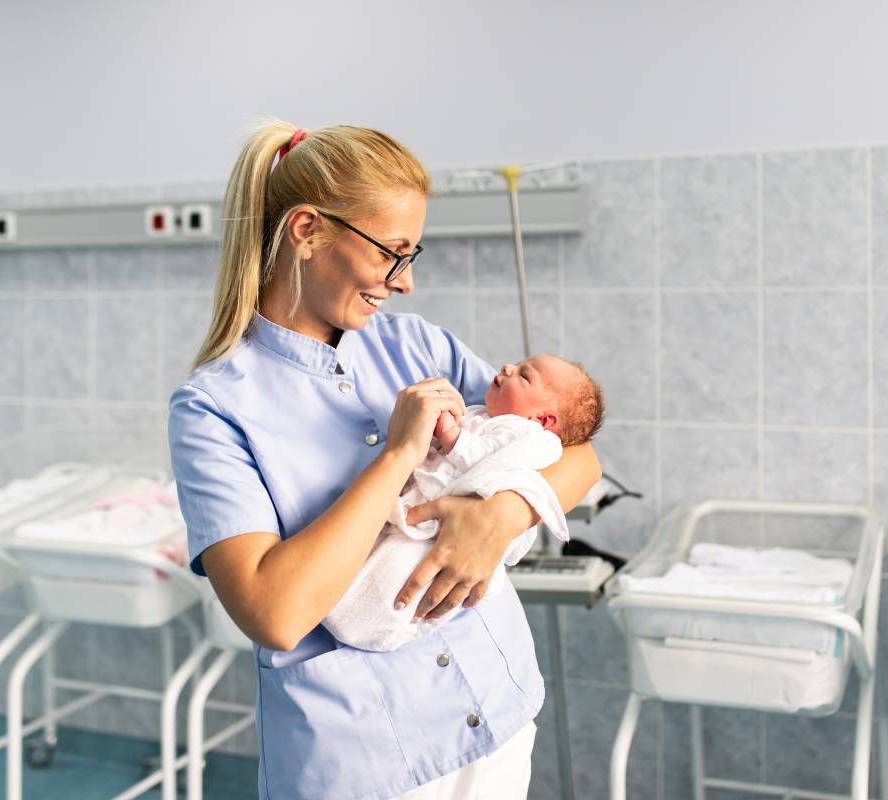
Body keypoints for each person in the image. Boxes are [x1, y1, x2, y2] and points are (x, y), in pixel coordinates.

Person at [166, 121, 601, 800]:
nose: (405, 282)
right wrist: (398, 454)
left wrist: (498, 520)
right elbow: (274, 613)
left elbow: (576, 455)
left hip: (495, 710)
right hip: (366, 758)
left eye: (412, 253)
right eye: (392, 253)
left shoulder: (416, 344)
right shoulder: (215, 408)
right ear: (307, 231)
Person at [324, 354, 605, 652]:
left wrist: (449, 433)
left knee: (403, 574)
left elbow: (485, 460)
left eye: (524, 376)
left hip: (442, 527)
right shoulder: (484, 414)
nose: (507, 367)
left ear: (543, 420)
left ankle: (372, 617)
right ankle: (352, 604)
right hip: (419, 509)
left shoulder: (527, 436)